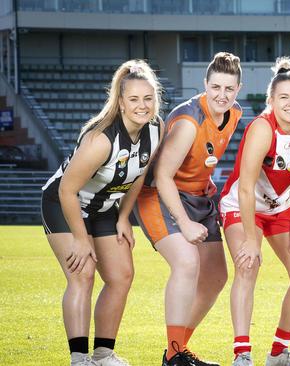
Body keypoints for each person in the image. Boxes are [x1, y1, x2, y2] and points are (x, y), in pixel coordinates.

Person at [41, 59, 164, 366]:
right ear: (121, 103)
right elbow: (66, 190)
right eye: (134, 99)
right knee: (82, 275)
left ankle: (103, 354)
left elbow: (139, 173)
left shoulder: (156, 128)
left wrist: (125, 217)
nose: (142, 105)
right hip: (64, 205)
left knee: (121, 276)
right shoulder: (101, 139)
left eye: (148, 99)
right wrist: (81, 240)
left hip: (106, 207)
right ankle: (79, 358)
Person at [134, 52, 243, 366]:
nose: (222, 95)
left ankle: (176, 351)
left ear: (238, 89)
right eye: (216, 87)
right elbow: (163, 175)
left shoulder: (234, 113)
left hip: (198, 197)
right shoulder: (187, 120)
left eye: (229, 88)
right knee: (186, 262)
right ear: (205, 85)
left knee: (215, 277)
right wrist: (183, 222)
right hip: (161, 196)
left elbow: (204, 161)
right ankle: (174, 354)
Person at [219, 57, 290, 366]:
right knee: (248, 265)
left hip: (281, 205)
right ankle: (242, 354)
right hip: (243, 204)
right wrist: (251, 239)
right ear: (271, 100)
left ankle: (279, 352)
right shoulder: (262, 128)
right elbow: (245, 186)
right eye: (284, 97)